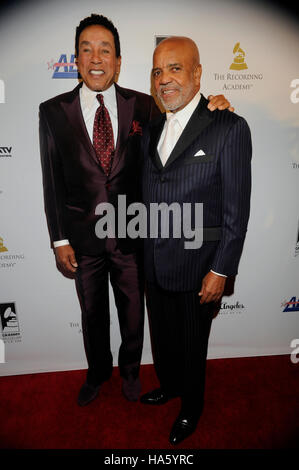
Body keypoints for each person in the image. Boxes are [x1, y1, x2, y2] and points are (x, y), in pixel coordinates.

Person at [39, 14, 233, 407]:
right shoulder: (52, 111)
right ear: (76, 59)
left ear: (119, 61)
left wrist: (217, 104)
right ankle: (97, 374)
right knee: (93, 316)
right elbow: (52, 179)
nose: (96, 58)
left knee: (133, 315)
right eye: (87, 50)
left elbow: (185, 118)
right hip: (83, 239)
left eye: (105, 50)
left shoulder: (144, 105)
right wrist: (59, 239)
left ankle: (130, 371)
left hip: (135, 237)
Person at [140, 37, 252, 445]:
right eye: (157, 71)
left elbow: (236, 212)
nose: (165, 79)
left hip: (199, 268)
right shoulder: (150, 127)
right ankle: (170, 386)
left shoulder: (229, 127)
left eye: (175, 68)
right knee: (164, 341)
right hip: (154, 264)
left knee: (192, 346)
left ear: (198, 73)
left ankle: (191, 408)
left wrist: (221, 269)